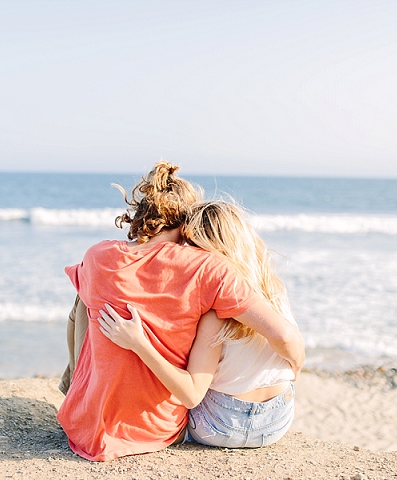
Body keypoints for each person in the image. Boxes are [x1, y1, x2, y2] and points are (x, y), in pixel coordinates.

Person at [56, 161, 304, 461]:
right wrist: (295, 368)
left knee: (85, 295)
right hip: (171, 430)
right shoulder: (211, 270)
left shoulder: (99, 255)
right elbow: (284, 335)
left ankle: (74, 391)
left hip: (87, 431)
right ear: (186, 222)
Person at [98, 200, 298, 448]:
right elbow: (287, 337)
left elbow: (192, 395)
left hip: (222, 424)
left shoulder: (215, 310)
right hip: (278, 418)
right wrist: (295, 368)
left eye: (190, 247)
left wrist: (139, 343)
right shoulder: (273, 290)